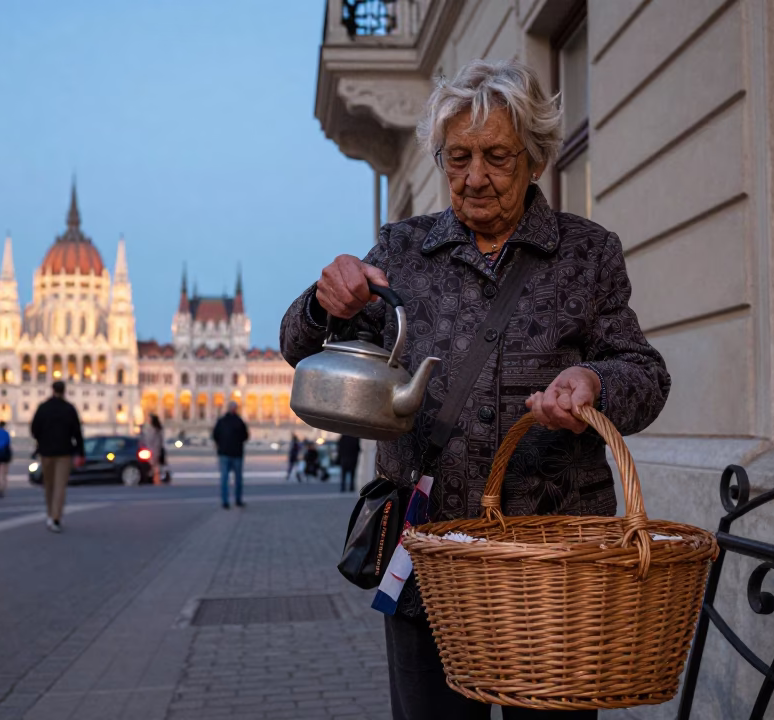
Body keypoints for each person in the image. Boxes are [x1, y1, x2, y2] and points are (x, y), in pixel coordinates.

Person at [280, 59, 670, 720]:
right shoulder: (402, 251)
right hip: (428, 555)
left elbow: (646, 374)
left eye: (497, 156)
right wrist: (326, 302)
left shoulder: (587, 253)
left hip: (550, 565)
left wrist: (595, 383)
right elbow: (301, 347)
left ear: (537, 159)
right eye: (457, 157)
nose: (475, 177)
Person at [30, 380, 85, 533]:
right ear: (64, 391)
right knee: (60, 486)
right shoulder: (69, 409)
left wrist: (42, 440)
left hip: (46, 452)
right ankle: (56, 517)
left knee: (49, 485)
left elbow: (34, 429)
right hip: (64, 452)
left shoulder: (43, 408)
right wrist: (81, 452)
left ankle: (50, 514)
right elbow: (77, 432)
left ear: (52, 390)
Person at [211, 402, 249, 509]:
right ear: (236, 409)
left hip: (224, 453)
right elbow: (246, 436)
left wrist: (221, 444)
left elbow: (215, 435)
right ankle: (238, 500)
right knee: (237, 479)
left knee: (224, 479)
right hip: (237, 453)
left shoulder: (221, 421)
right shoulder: (239, 421)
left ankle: (225, 501)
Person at [141, 414, 166, 485]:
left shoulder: (155, 429)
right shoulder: (150, 428)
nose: (148, 420)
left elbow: (156, 441)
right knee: (153, 465)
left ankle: (157, 479)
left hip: (153, 450)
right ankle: (155, 478)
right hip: (150, 449)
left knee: (154, 465)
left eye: (149, 419)